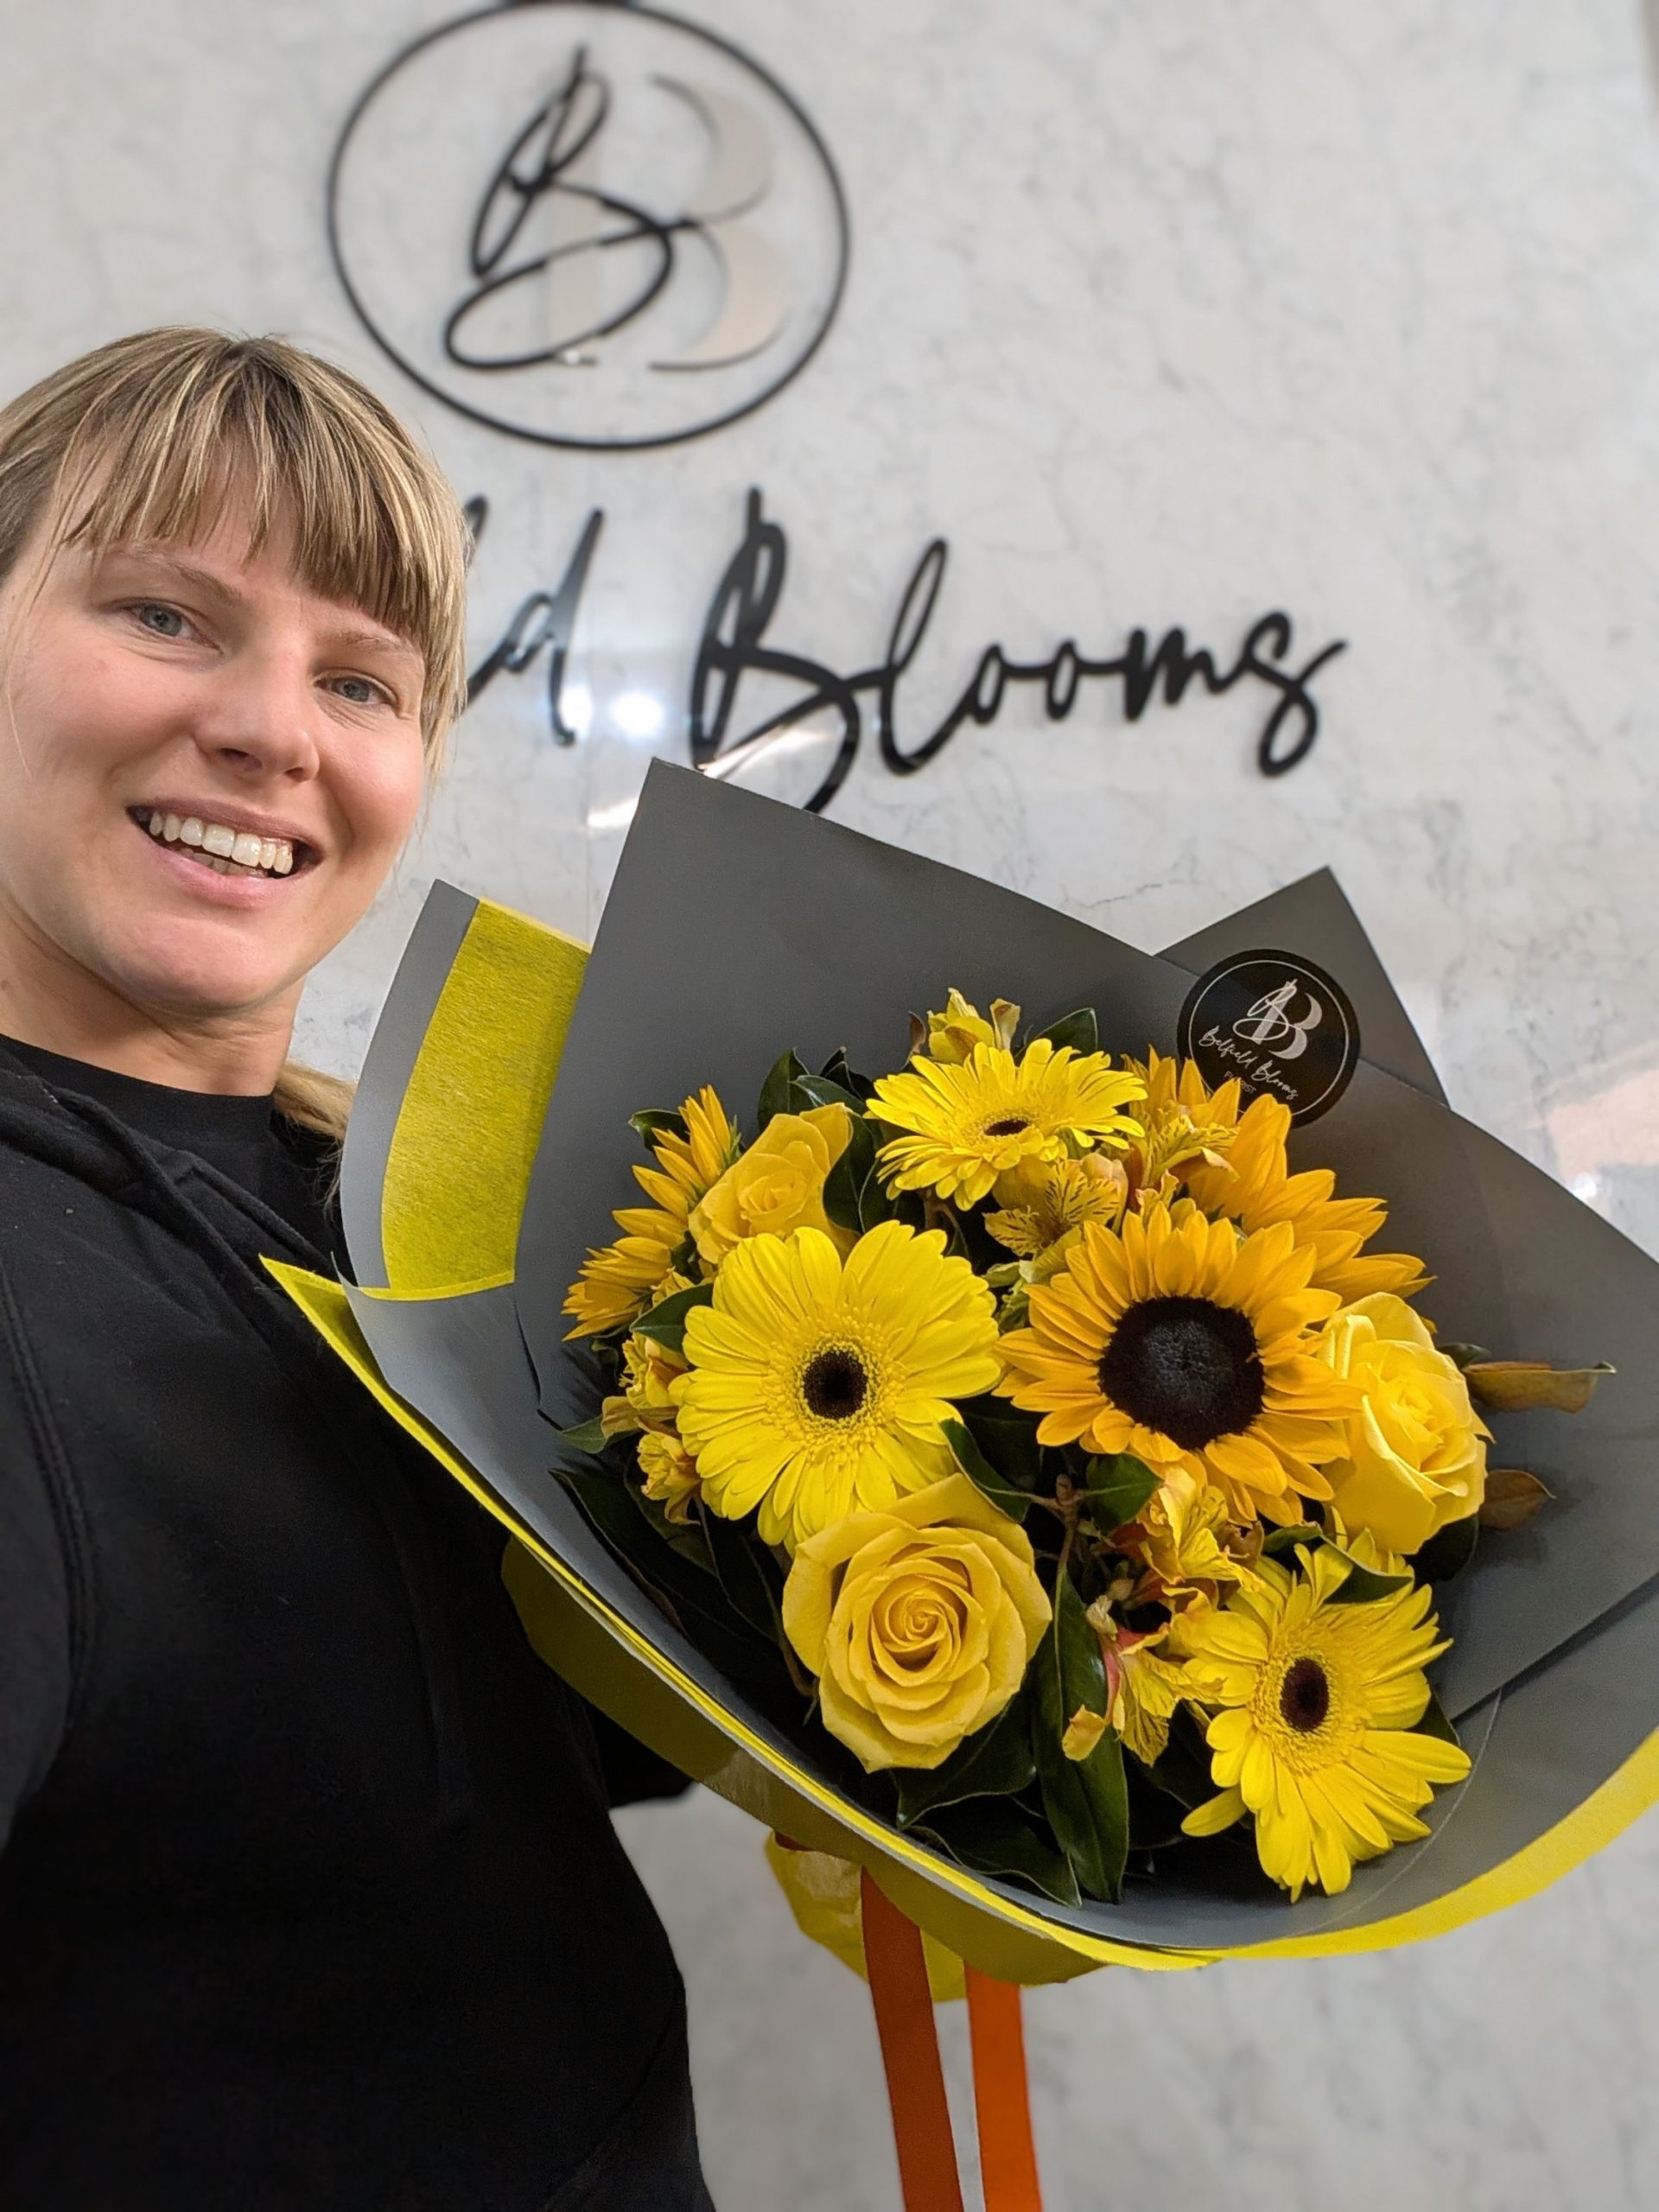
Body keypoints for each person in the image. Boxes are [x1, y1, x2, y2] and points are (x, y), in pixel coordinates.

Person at [0, 327, 712, 2211]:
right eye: (164, 614)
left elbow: (525, 1749)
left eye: (360, 679)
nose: (274, 730)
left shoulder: (407, 1219)